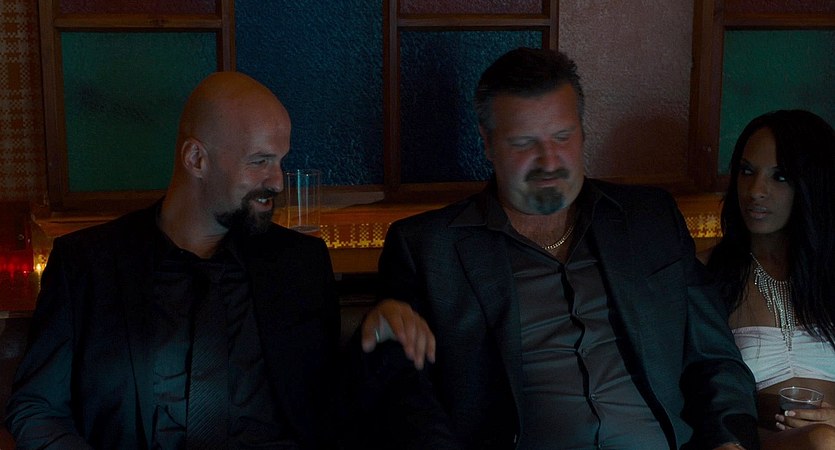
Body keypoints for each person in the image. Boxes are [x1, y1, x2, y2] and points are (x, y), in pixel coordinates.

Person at [347, 47, 759, 450]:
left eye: (562, 137)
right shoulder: (429, 248)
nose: (549, 161)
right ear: (487, 143)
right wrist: (382, 326)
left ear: (582, 131)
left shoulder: (649, 219)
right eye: (524, 143)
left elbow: (715, 357)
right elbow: (402, 396)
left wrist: (728, 440)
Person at [5, 72, 351, 449]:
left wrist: (383, 328)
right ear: (196, 159)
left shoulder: (300, 264)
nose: (278, 182)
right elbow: (36, 408)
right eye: (260, 161)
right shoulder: (87, 264)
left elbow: (337, 403)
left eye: (280, 160)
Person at [700, 110, 835, 449]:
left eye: (780, 176)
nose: (755, 191)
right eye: (747, 171)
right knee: (821, 440)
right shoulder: (704, 274)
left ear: (812, 184)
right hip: (754, 442)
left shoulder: (829, 275)